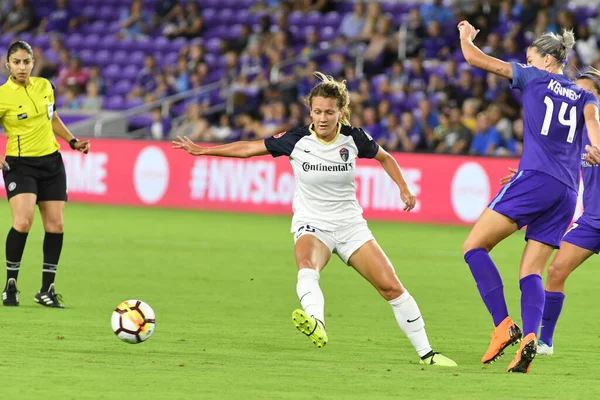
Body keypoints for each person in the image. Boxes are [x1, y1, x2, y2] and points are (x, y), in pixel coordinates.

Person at [173, 72, 457, 367]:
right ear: (310, 111)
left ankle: (428, 354)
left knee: (391, 288)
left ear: (341, 113)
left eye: (329, 112)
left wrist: (403, 187)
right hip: (313, 224)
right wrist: (204, 150)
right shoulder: (296, 139)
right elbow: (248, 148)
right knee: (307, 265)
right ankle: (316, 322)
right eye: (318, 111)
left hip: (350, 226)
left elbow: (386, 157)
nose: (322, 118)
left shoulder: (354, 138)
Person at [458, 20, 600, 373]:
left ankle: (504, 326)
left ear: (548, 60)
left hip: (535, 178)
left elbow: (476, 59)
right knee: (531, 270)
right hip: (567, 192)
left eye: (530, 56)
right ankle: (530, 340)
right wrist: (596, 145)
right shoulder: (585, 94)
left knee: (474, 247)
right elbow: (593, 121)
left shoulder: (533, 76)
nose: (527, 61)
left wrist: (465, 37)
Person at [498, 69, 600, 357]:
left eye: (583, 93)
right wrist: (525, 174)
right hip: (592, 222)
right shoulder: (575, 133)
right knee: (555, 271)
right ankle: (545, 342)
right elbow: (555, 163)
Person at [0, 41, 90, 308]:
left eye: (26, 62)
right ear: (8, 65)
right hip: (20, 165)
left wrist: (72, 141)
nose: (22, 67)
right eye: (16, 62)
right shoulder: (3, 95)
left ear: (32, 63)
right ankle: (10, 286)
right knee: (23, 221)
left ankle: (46, 289)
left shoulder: (45, 87)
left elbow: (52, 119)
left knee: (56, 226)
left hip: (51, 163)